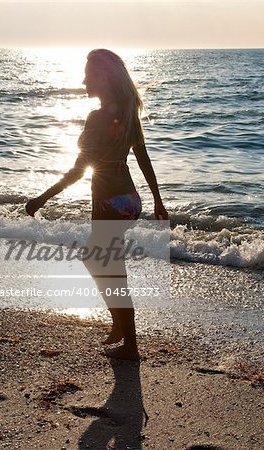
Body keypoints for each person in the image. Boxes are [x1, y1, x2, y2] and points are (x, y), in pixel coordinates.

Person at [26, 49, 168, 360]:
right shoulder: (127, 111)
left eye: (89, 75)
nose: (84, 80)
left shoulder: (99, 117)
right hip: (129, 200)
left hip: (109, 203)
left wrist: (41, 198)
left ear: (103, 78)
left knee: (110, 269)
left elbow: (79, 169)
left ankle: (129, 343)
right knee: (97, 260)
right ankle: (120, 326)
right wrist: (157, 200)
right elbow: (143, 158)